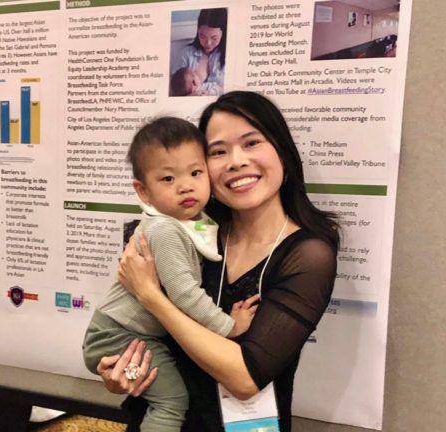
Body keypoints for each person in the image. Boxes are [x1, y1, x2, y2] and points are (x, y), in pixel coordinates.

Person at [95, 91, 340, 431]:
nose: (236, 161)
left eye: (251, 143)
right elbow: (143, 333)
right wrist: (125, 372)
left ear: (282, 150)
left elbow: (245, 379)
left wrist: (151, 296)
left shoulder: (308, 255)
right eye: (218, 151)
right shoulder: (195, 233)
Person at [82, 117, 259, 432]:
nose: (185, 185)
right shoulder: (165, 230)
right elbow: (183, 293)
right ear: (143, 191)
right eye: (168, 178)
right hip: (119, 334)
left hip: (127, 332)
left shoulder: (194, 223)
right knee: (171, 402)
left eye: (195, 173)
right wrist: (228, 327)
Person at [173, 8, 227, 96]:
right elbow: (176, 93)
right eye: (202, 36)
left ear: (223, 33)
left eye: (214, 38)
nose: (208, 43)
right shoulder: (185, 55)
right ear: (198, 30)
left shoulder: (229, 55)